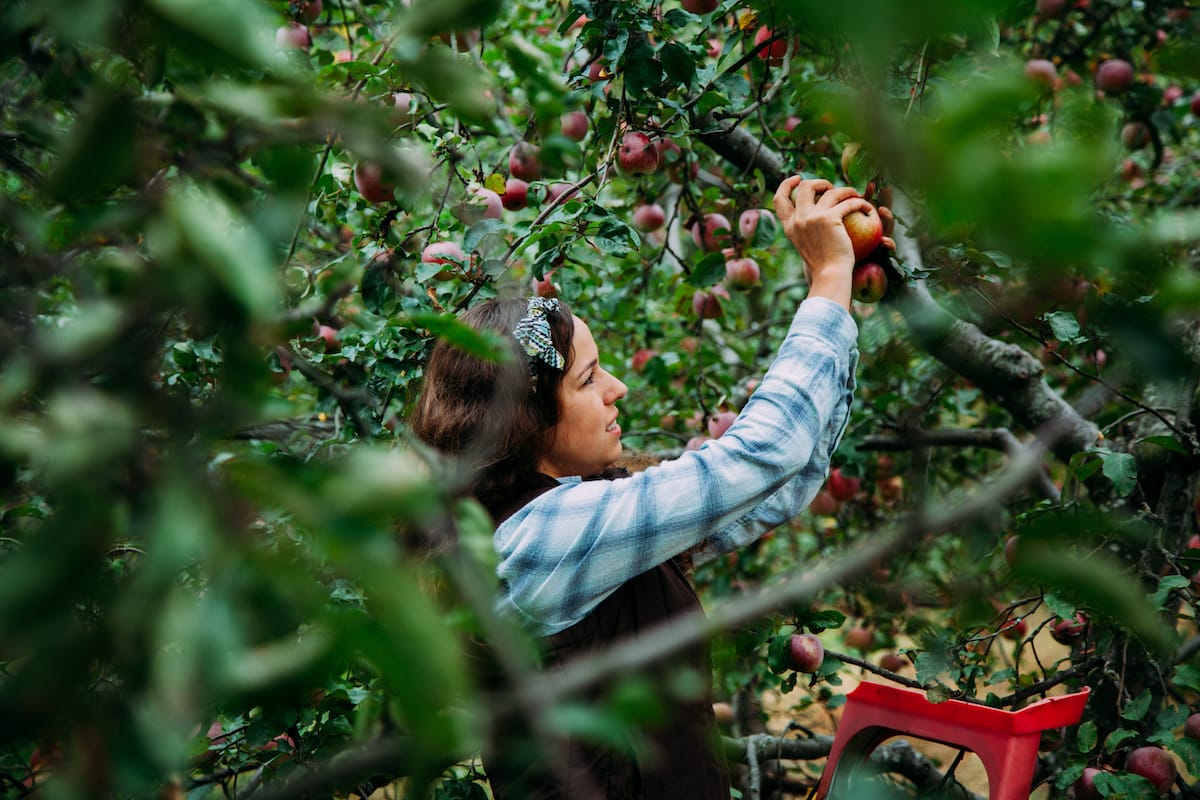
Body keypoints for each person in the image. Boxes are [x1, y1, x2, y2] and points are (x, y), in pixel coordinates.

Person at [409, 176, 879, 799]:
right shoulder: (537, 540)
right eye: (587, 379)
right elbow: (762, 454)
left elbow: (775, 483)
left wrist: (840, 292)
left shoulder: (581, 513)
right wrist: (826, 282)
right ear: (525, 416)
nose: (617, 389)